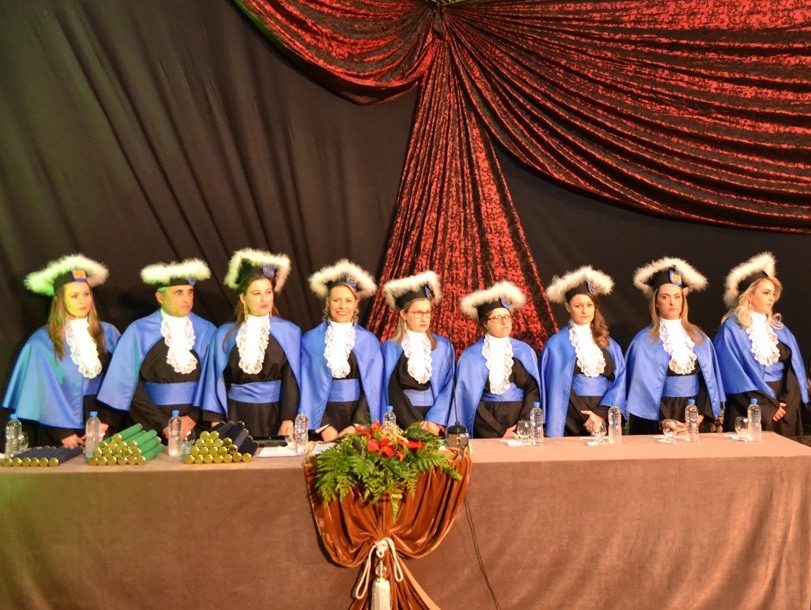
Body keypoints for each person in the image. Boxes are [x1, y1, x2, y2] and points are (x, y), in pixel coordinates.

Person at [2, 254, 120, 448]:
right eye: (74, 296)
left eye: (86, 294)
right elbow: (40, 390)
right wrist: (62, 433)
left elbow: (121, 381)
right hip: (59, 433)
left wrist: (106, 422)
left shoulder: (109, 333)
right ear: (59, 300)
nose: (83, 301)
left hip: (102, 427)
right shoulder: (42, 341)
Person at [97, 258, 216, 441]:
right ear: (160, 298)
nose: (186, 299)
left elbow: (213, 381)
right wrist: (162, 423)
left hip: (197, 425)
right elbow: (126, 383)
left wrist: (193, 418)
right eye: (178, 293)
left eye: (190, 292)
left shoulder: (207, 330)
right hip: (150, 425)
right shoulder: (139, 331)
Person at [196, 249, 301, 438]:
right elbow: (215, 380)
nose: (264, 299)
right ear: (243, 298)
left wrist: (288, 419)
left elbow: (292, 380)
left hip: (276, 416)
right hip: (236, 415)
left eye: (268, 292)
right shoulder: (224, 335)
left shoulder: (289, 332)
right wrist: (215, 419)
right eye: (256, 293)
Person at [714, 252, 809, 436]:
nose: (771, 298)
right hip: (748, 408)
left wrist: (787, 402)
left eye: (773, 293)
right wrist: (767, 407)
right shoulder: (732, 329)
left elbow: (794, 371)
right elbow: (733, 377)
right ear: (749, 296)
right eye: (766, 293)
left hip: (784, 408)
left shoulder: (780, 329)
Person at [625, 257, 724, 435]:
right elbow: (642, 391)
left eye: (677, 297)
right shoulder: (643, 342)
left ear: (683, 301)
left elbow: (708, 383)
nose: (672, 302)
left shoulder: (700, 339)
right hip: (657, 417)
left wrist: (699, 416)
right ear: (656, 302)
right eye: (665, 297)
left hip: (694, 414)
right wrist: (664, 420)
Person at [300, 259, 383, 442]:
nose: (342, 306)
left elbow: (373, 388)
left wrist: (357, 425)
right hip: (322, 421)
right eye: (336, 300)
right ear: (328, 302)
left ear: (356, 304)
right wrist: (323, 426)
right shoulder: (310, 340)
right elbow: (306, 385)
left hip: (357, 420)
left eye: (348, 300)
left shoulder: (369, 342)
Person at [541, 266, 626, 437]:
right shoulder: (556, 345)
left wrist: (600, 414)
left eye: (589, 305)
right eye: (578, 306)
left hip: (603, 418)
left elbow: (620, 381)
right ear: (568, 307)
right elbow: (556, 388)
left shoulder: (610, 345)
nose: (585, 310)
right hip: (569, 419)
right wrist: (585, 417)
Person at [454, 281, 540, 438]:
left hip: (520, 423)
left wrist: (523, 425)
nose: (504, 321)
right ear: (485, 323)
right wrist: (499, 431)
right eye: (497, 317)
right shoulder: (471, 356)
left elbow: (533, 390)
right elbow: (471, 401)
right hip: (487, 426)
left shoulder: (525, 351)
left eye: (507, 316)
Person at [381, 271, 454, 435]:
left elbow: (450, 386)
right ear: (403, 314)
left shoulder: (443, 347)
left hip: (434, 423)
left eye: (427, 312)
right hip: (403, 421)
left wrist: (435, 420)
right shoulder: (390, 348)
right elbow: (391, 390)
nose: (424, 318)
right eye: (418, 313)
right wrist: (414, 424)